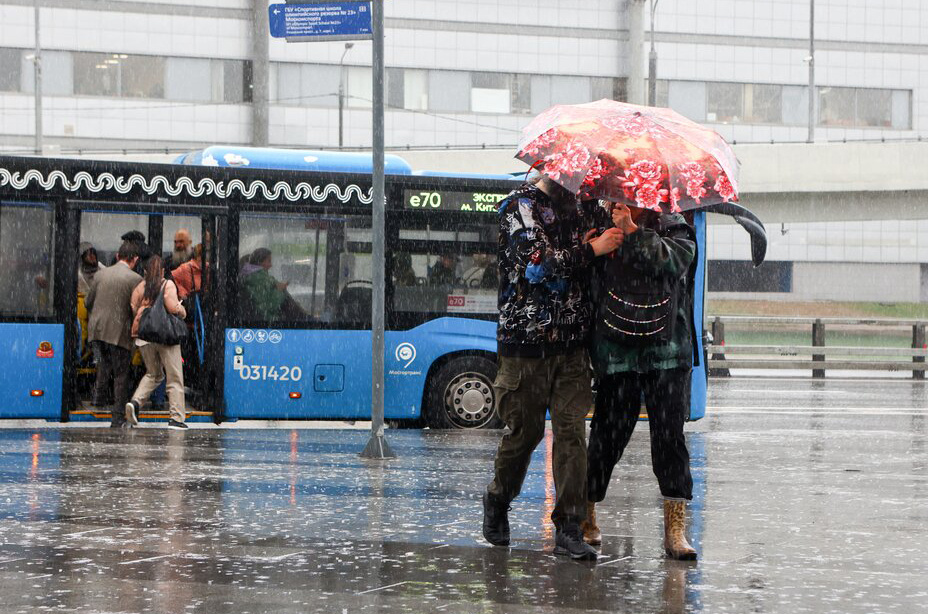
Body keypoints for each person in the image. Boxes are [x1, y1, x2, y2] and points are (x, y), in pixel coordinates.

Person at [481, 175, 624, 561]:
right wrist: (591, 249)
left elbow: (610, 245)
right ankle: (498, 498)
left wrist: (618, 225)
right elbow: (537, 265)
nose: (576, 184)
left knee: (572, 435)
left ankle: (569, 526)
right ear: (551, 170)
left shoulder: (585, 206)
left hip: (573, 346)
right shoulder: (519, 207)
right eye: (570, 177)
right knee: (524, 435)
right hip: (525, 344)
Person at [583, 202, 699, 561]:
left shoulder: (674, 224)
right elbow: (587, 281)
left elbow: (675, 262)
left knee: (670, 439)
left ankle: (675, 529)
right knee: (606, 437)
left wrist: (634, 232)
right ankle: (587, 514)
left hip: (667, 349)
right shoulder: (599, 222)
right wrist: (596, 244)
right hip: (617, 350)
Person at [125, 255, 188, 430]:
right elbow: (172, 307)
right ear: (162, 271)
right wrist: (182, 310)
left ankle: (136, 403)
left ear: (145, 271)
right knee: (174, 377)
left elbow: (133, 307)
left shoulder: (140, 287)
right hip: (165, 335)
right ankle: (176, 418)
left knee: (153, 374)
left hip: (144, 336)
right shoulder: (166, 284)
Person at [85, 241, 142, 428]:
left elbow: (87, 302)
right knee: (121, 374)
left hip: (97, 329)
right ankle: (117, 415)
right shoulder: (136, 279)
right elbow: (136, 309)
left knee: (103, 364)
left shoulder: (100, 274)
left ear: (118, 256)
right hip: (118, 332)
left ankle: (97, 399)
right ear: (135, 260)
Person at [240, 248, 288, 321]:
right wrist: (279, 291)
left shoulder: (259, 278)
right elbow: (265, 308)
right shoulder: (256, 280)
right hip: (268, 323)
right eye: (269, 261)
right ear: (259, 262)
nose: (271, 265)